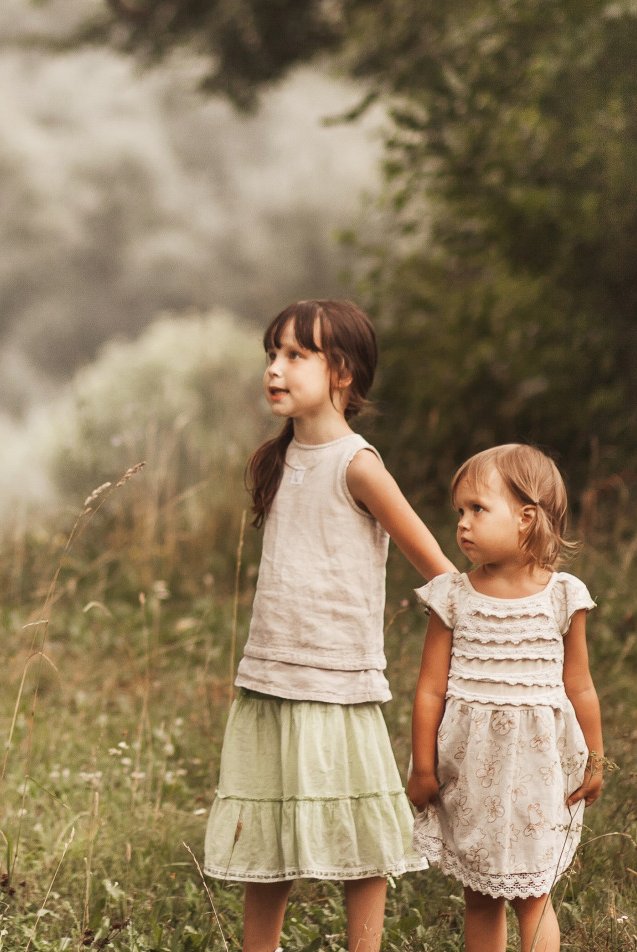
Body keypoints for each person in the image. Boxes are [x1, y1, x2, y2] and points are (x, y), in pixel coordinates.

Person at [204, 299, 456, 952]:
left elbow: (436, 569)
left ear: (341, 371)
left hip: (338, 682)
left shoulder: (358, 464)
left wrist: (492, 634)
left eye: (294, 355)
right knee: (268, 837)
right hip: (271, 675)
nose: (275, 369)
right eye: (271, 355)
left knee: (361, 839)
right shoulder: (276, 460)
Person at [406, 445, 606, 952]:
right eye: (460, 512)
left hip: (539, 771)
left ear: (525, 519)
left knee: (534, 895)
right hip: (472, 772)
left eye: (478, 509)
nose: (463, 524)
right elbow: (429, 688)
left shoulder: (562, 596)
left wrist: (596, 758)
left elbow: (579, 685)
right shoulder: (452, 596)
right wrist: (424, 768)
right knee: (479, 895)